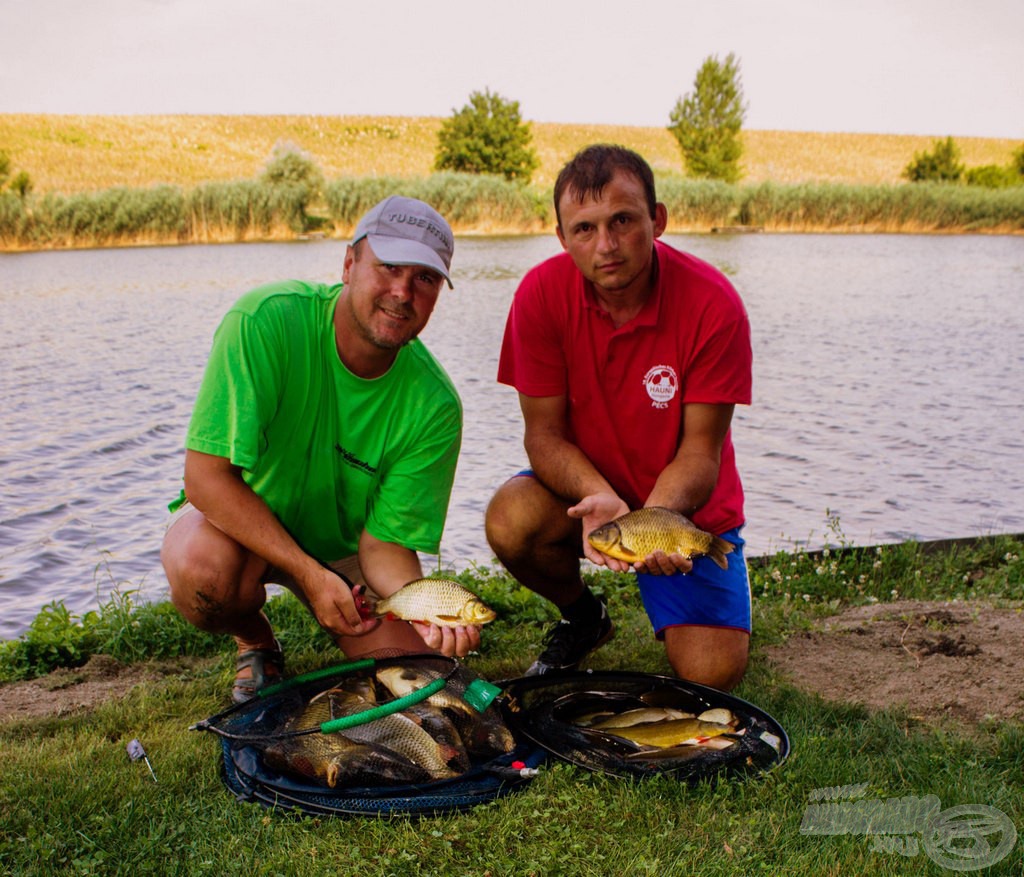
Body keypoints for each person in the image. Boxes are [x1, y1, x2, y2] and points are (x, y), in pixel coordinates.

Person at [161, 195, 480, 703]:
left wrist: (423, 612)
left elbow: (386, 545)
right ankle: (256, 639)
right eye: (389, 267)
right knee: (205, 578)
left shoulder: (435, 405)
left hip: (346, 554)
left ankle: (371, 627)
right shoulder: (263, 321)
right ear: (350, 263)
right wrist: (310, 575)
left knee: (424, 680)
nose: (402, 291)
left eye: (424, 278)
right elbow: (205, 479)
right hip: (238, 527)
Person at [485, 145, 752, 690]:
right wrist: (600, 499)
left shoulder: (713, 303)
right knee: (509, 519)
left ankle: (709, 589)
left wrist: (654, 522)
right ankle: (585, 619)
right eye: (583, 229)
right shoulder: (539, 295)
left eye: (623, 221)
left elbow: (701, 452)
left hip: (685, 507)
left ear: (658, 220)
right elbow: (544, 436)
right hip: (589, 490)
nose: (604, 246)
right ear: (562, 238)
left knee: (712, 674)